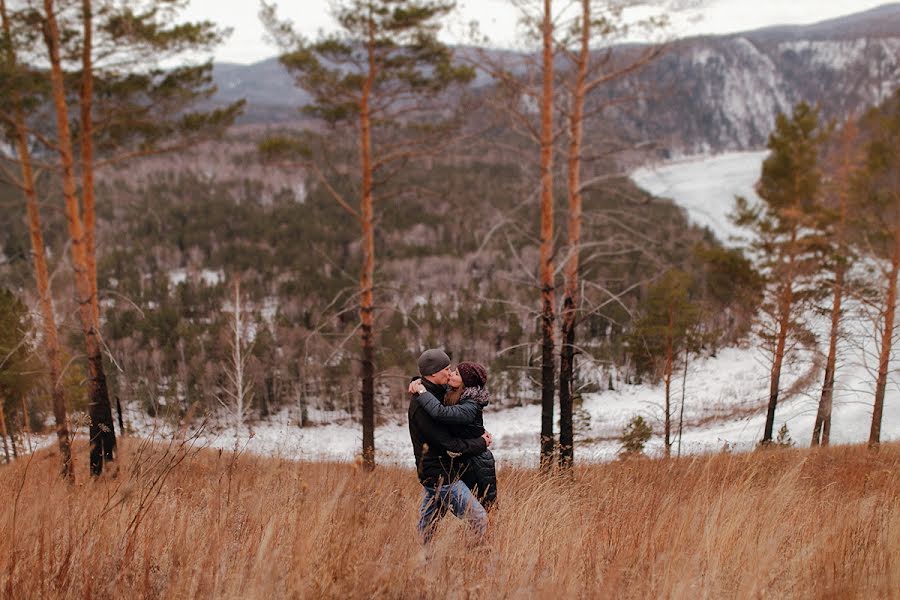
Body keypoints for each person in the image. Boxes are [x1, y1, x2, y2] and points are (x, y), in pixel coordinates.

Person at [408, 348, 492, 543]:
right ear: (434, 372)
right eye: (447, 369)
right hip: (440, 475)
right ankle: (474, 557)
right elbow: (447, 443)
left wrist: (416, 381)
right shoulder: (423, 405)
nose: (450, 372)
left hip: (438, 472)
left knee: (428, 524)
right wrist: (480, 443)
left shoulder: (435, 391)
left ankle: (423, 561)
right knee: (478, 517)